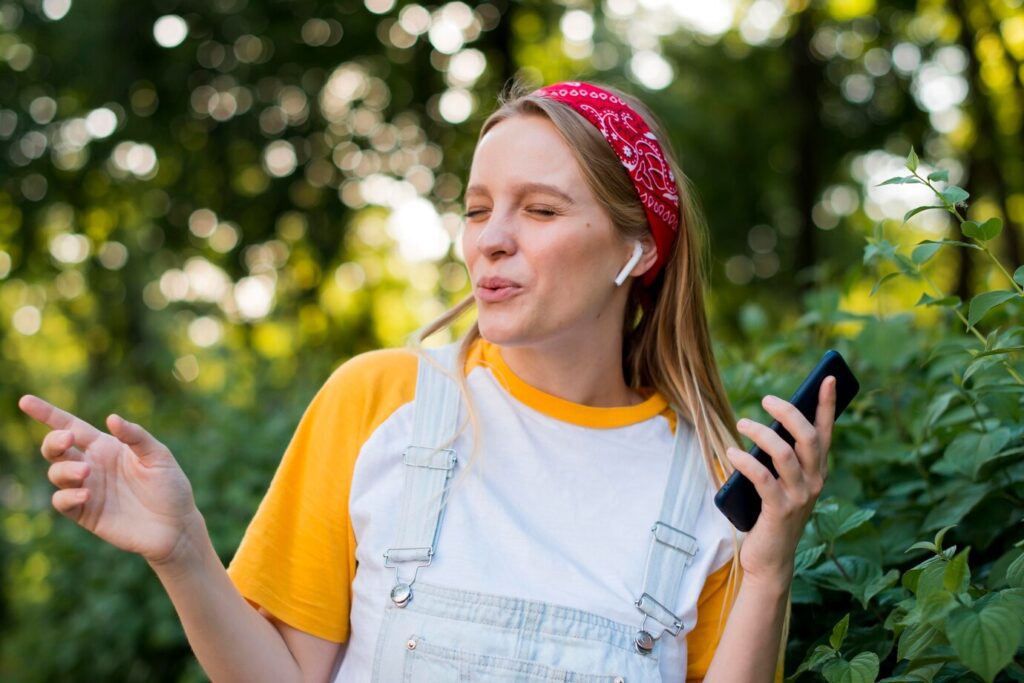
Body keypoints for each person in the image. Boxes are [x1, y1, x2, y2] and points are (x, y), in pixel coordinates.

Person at [19, 79, 836, 682]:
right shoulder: (380, 402)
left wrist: (768, 568)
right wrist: (183, 549)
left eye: (542, 211)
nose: (492, 240)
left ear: (641, 249)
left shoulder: (708, 486)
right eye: (479, 209)